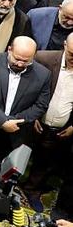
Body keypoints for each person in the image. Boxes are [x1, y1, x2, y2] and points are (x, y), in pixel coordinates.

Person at [0, 36, 51, 170]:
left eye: (26, 61)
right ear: (9, 49)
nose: (20, 64)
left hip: (16, 131)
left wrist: (13, 121)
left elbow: (41, 105)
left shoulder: (43, 74)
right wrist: (2, 121)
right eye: (17, 59)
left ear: (34, 56)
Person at [23, 33, 73, 212]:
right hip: (33, 120)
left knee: (46, 161)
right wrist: (33, 116)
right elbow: (26, 88)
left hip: (61, 128)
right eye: (72, 54)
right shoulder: (44, 59)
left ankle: (32, 190)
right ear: (65, 45)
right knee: (19, 154)